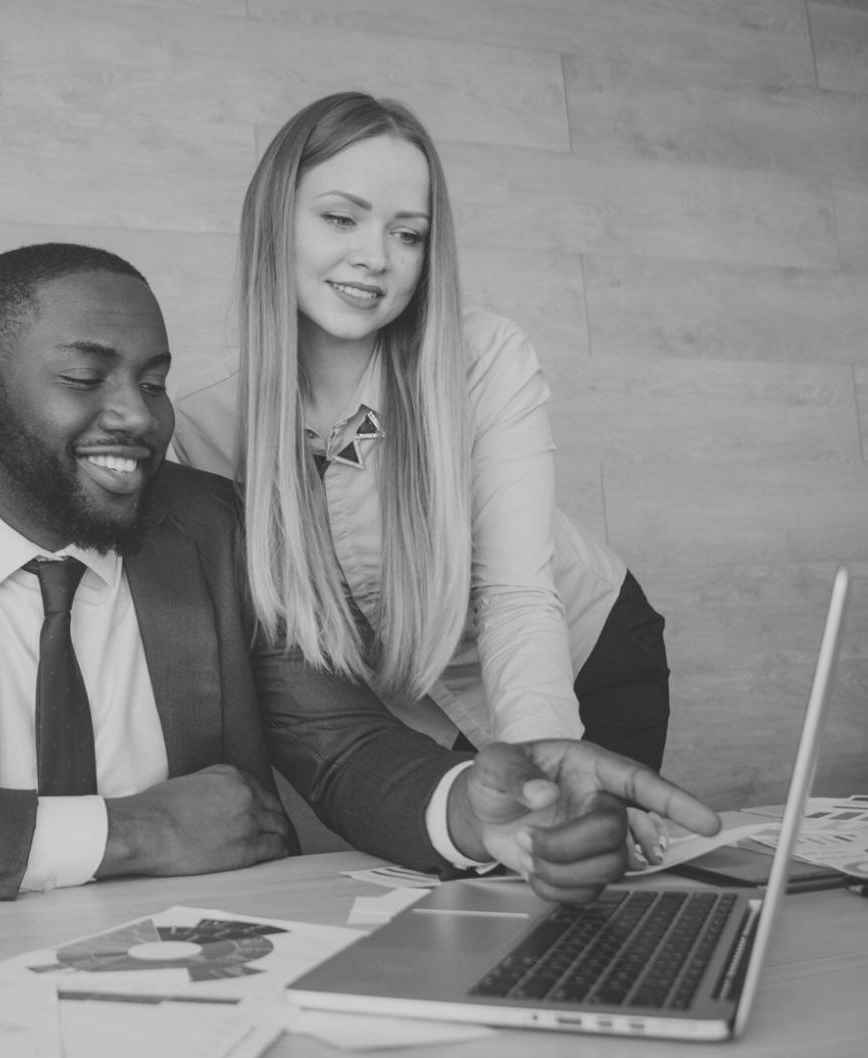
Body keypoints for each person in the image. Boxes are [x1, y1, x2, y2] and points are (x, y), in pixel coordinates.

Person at [0, 242, 719, 912]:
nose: (138, 415)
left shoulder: (218, 527)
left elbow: (343, 742)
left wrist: (470, 812)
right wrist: (124, 832)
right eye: (85, 377)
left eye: (152, 377)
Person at [172, 92, 673, 864]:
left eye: (408, 234)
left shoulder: (484, 356)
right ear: (276, 219)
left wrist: (546, 754)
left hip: (582, 660)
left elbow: (514, 593)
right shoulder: (204, 422)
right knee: (470, 900)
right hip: (413, 715)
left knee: (577, 881)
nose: (377, 255)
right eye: (341, 218)